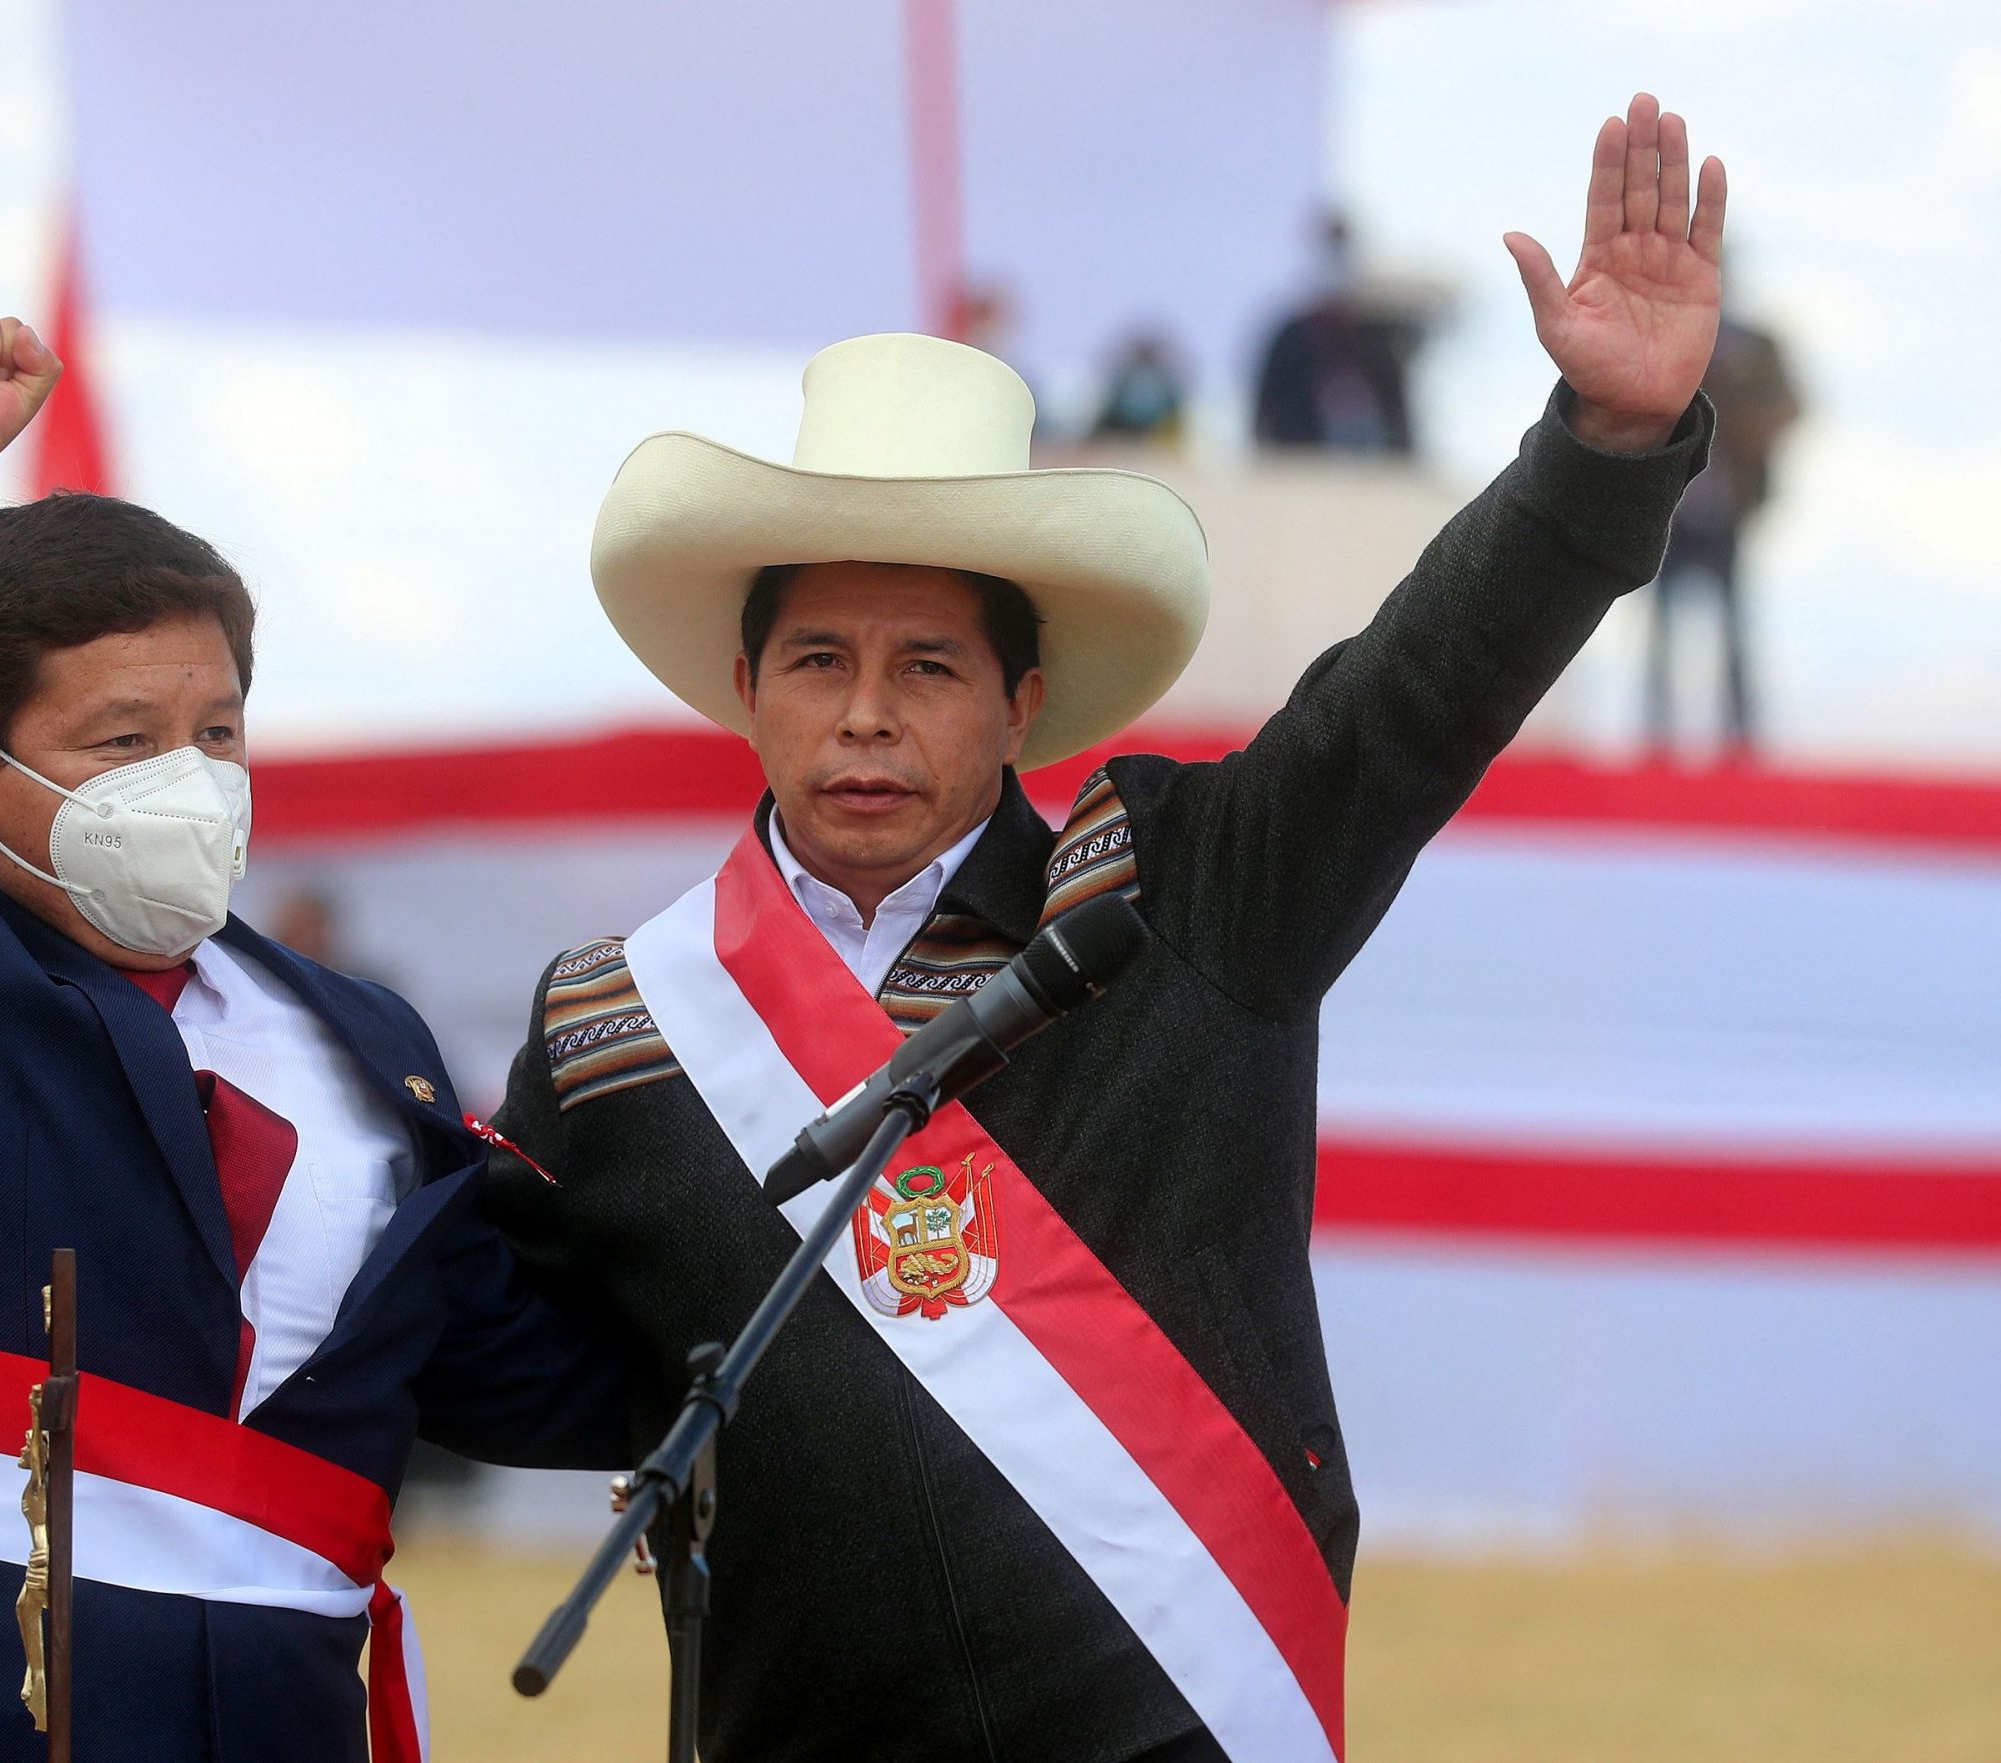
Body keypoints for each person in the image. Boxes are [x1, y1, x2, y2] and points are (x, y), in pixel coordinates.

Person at [482, 94, 1723, 1763]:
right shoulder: (607, 1022)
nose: (865, 717)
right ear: (743, 688)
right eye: (818, 661)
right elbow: (476, 1357)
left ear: (1025, 701)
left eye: (927, 667)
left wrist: (1602, 447)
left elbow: (1413, 699)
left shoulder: (1187, 893)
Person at [0, 313, 628, 1761]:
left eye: (219, 733)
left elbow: (540, 1362)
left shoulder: (368, 1039)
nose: (191, 782)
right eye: (124, 742)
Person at [1645, 310, 1801, 754]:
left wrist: (1744, 422)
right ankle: (1658, 736)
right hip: (1671, 511)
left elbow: (1789, 407)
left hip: (1725, 511)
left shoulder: (1754, 344)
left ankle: (1739, 737)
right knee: (1662, 629)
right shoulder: (1663, 336)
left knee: (1733, 629)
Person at [1251, 212, 1426, 457]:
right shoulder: (1292, 341)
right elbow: (1266, 411)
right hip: (1304, 463)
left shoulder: (1375, 343)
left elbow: (1399, 418)